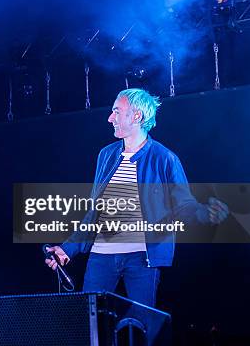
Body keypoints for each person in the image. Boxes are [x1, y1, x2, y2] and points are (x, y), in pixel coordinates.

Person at [45, 88, 228, 307]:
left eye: (116, 112)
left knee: (142, 324)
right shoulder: (106, 155)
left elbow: (184, 206)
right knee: (90, 322)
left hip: (142, 257)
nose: (110, 118)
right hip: (101, 256)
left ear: (137, 116)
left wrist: (204, 213)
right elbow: (95, 212)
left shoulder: (165, 158)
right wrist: (68, 248)